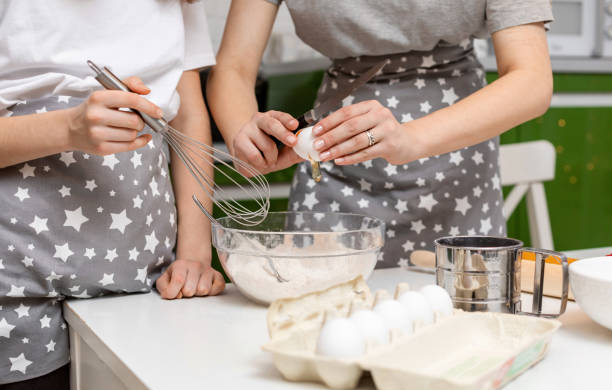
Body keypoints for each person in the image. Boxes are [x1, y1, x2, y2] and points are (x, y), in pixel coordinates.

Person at [207, 0, 553, 268]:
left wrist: (411, 138)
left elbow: (532, 79)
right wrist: (247, 136)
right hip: (333, 159)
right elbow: (233, 68)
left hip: (454, 160)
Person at [0, 1, 224, 390]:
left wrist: (194, 253)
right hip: (16, 287)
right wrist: (66, 128)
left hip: (143, 283)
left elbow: (188, 118)